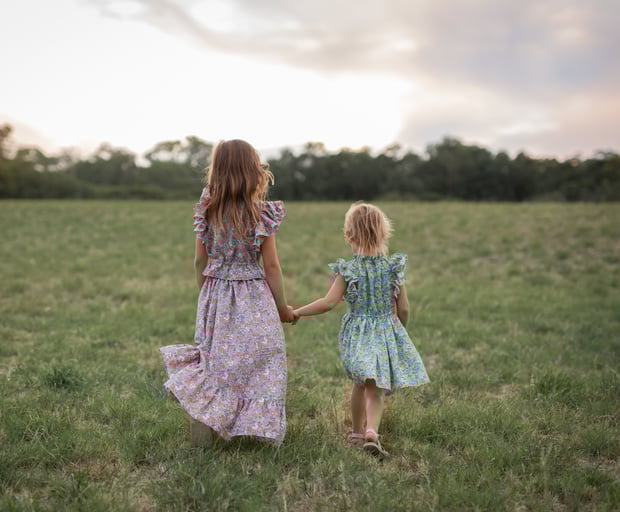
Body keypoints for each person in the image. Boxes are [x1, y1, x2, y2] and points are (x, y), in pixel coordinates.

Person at [160, 139, 296, 448]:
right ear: (253, 171)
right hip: (253, 294)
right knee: (265, 358)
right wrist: (283, 307)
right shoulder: (261, 214)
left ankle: (204, 436)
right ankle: (259, 431)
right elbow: (272, 266)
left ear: (217, 171)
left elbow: (199, 259)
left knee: (215, 361)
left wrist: (206, 291)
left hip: (216, 291)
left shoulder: (208, 211)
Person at [293, 202, 429, 457]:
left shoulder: (349, 270)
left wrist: (298, 311)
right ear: (384, 234)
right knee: (375, 387)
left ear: (348, 235)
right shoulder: (392, 268)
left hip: (358, 334)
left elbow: (328, 303)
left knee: (360, 384)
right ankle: (372, 432)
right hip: (385, 331)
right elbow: (405, 308)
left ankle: (357, 432)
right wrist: (400, 330)